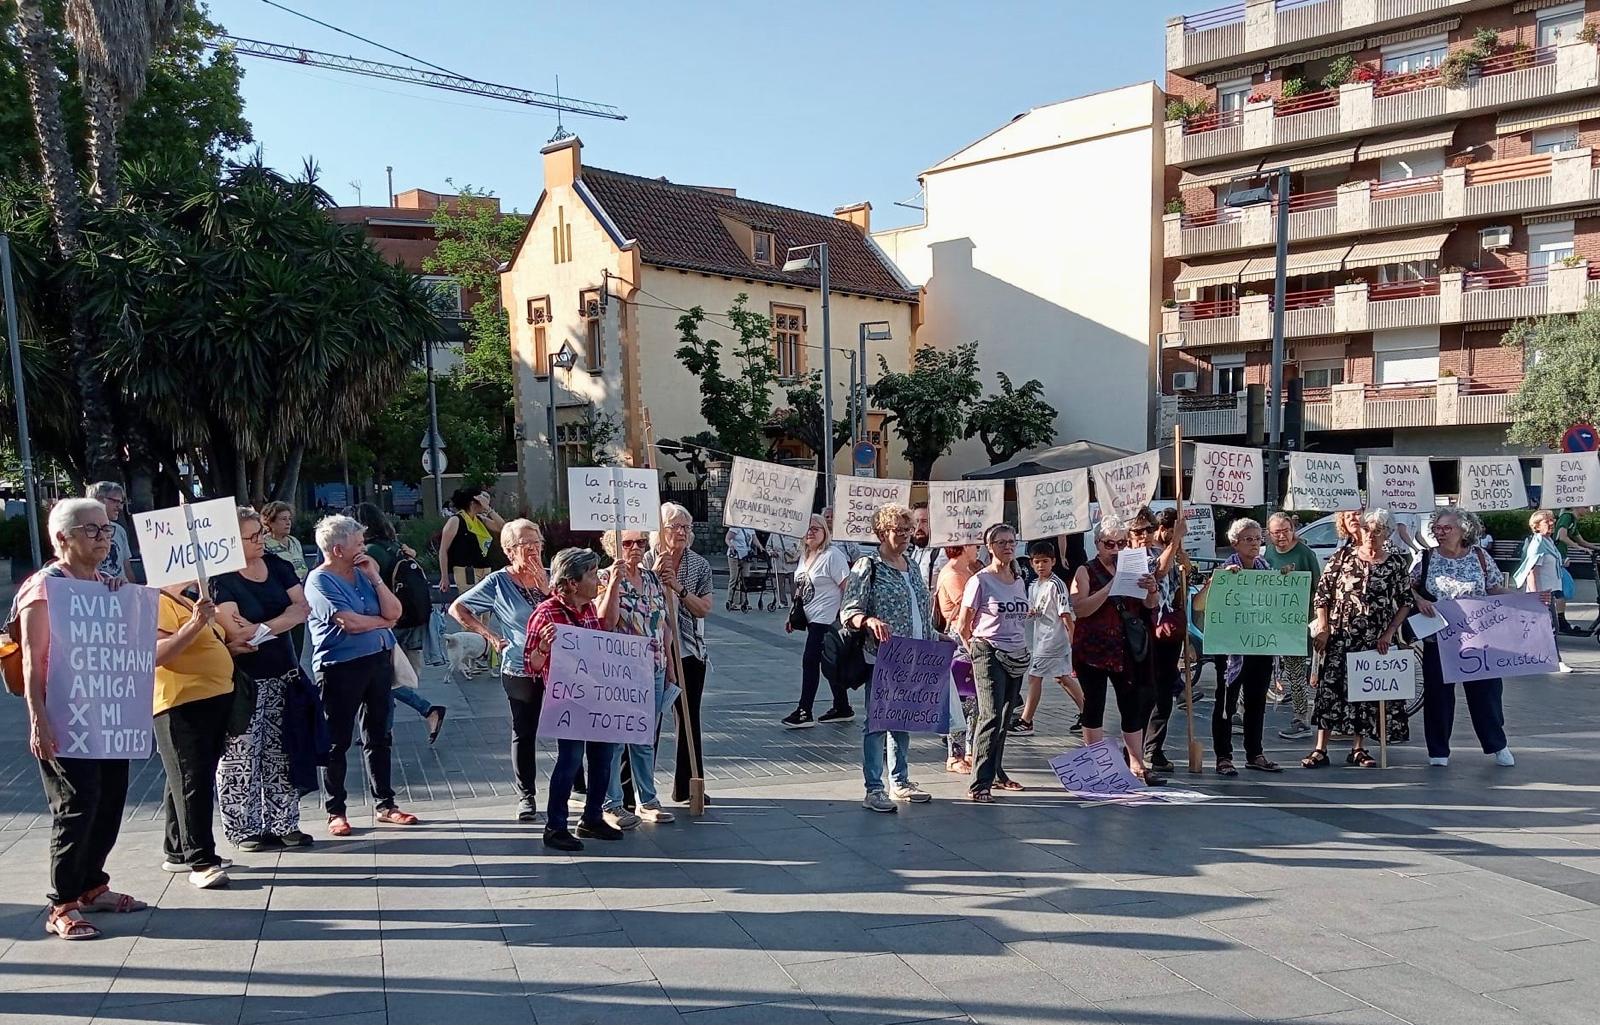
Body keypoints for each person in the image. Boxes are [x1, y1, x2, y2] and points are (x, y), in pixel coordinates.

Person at [19, 499, 146, 939]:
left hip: (106, 713)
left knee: (110, 798)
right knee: (75, 805)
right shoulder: (44, 589)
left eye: (107, 529)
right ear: (62, 538)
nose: (103, 538)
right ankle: (63, 902)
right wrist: (39, 720)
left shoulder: (103, 585)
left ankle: (93, 884)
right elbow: (35, 663)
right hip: (64, 716)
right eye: (92, 530)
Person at [305, 514, 419, 835]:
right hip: (340, 668)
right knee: (336, 740)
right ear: (338, 549)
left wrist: (376, 578)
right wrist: (381, 623)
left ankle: (386, 803)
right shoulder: (320, 581)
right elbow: (349, 623)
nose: (364, 547)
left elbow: (395, 611)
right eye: (358, 543)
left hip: (378, 661)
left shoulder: (365, 572)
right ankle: (335, 810)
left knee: (379, 733)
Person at [210, 507, 312, 852]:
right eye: (251, 536)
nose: (260, 540)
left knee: (281, 749)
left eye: (260, 533)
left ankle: (285, 822)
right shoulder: (220, 579)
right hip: (244, 679)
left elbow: (302, 609)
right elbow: (236, 629)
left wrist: (263, 629)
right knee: (241, 752)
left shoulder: (279, 567)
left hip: (283, 672)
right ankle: (244, 827)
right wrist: (282, 620)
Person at [450, 519, 549, 822]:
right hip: (520, 666)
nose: (533, 548)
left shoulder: (553, 575)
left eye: (537, 541)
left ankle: (577, 787)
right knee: (525, 729)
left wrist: (546, 586)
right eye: (525, 544)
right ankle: (527, 795)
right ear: (509, 551)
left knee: (568, 728)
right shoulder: (498, 582)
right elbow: (458, 608)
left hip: (561, 665)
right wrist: (490, 635)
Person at [524, 547, 621, 850]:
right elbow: (531, 666)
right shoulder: (546, 613)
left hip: (595, 697)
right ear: (573, 583)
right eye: (592, 574)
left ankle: (592, 818)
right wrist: (542, 647)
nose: (598, 579)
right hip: (568, 702)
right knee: (570, 761)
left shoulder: (589, 609)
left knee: (603, 759)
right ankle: (555, 826)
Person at [841, 503, 934, 812]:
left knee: (902, 719)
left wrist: (936, 635)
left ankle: (901, 781)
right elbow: (849, 610)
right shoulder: (868, 565)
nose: (907, 535)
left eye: (909, 530)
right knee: (878, 721)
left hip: (914, 654)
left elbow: (920, 608)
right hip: (881, 655)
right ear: (882, 533)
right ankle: (873, 787)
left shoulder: (912, 564)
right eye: (899, 531)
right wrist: (868, 621)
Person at [1305, 508, 1413, 769]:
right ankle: (1320, 748)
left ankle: (1359, 747)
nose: (1370, 536)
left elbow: (1405, 601)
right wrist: (1323, 626)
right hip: (1341, 635)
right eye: (1366, 530)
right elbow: (1323, 594)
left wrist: (1389, 633)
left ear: (1386, 534)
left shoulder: (1395, 562)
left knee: (1364, 692)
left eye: (1377, 532)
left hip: (1374, 637)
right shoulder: (1343, 556)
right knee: (1330, 690)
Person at [154, 564, 237, 889]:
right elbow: (159, 653)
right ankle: (201, 859)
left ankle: (177, 850)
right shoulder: (158, 602)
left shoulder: (189, 599)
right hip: (181, 702)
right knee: (193, 779)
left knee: (185, 776)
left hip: (211, 698)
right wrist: (195, 623)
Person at [1410, 508, 1514, 768]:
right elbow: (1407, 586)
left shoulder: (1480, 557)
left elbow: (1494, 587)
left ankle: (1497, 744)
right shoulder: (1426, 558)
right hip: (1439, 638)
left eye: (1447, 528)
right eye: (1437, 528)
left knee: (1486, 694)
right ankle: (1438, 751)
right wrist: (1420, 599)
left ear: (1463, 531)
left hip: (1478, 638)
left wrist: (1523, 598)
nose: (1440, 533)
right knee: (1438, 695)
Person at [1070, 516, 1164, 785]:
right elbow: (1080, 608)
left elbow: (1148, 606)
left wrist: (1152, 590)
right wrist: (1109, 588)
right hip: (1093, 648)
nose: (1116, 549)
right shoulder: (1085, 571)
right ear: (1098, 544)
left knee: (1131, 704)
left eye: (1122, 543)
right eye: (1110, 543)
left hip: (1125, 648)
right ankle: (1097, 760)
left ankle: (1136, 762)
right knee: (1094, 703)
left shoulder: (1135, 567)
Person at [596, 529, 675, 827]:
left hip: (652, 665)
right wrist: (615, 582)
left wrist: (669, 667)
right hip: (620, 668)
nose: (635, 548)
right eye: (627, 543)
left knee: (644, 737)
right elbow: (606, 621)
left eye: (640, 542)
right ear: (612, 546)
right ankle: (612, 803)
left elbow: (664, 623)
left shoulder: (652, 578)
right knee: (616, 738)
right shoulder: (604, 577)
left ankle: (648, 799)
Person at [351, 502, 445, 742]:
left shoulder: (371, 552)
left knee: (382, 677)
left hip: (389, 621)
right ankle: (383, 730)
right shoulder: (396, 547)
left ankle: (422, 711)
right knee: (386, 675)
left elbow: (363, 587)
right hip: (411, 618)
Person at [958, 523, 1034, 802]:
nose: (1007, 546)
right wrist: (975, 650)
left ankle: (997, 771)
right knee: (990, 715)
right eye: (1001, 542)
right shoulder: (980, 580)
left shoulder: (1018, 579)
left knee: (1006, 717)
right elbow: (963, 624)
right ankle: (980, 783)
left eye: (1011, 541)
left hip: (1016, 653)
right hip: (989, 650)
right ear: (989, 547)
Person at [646, 502, 715, 806]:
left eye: (686, 527)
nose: (683, 532)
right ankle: (641, 789)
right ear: (660, 531)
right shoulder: (646, 560)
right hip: (652, 648)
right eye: (675, 526)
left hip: (688, 649)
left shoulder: (699, 565)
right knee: (649, 720)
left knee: (689, 718)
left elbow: (704, 608)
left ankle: (689, 785)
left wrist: (678, 588)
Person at [1208, 518, 1281, 775]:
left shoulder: (1266, 569)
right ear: (1235, 543)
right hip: (1230, 648)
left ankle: (1255, 752)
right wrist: (1219, 583)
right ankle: (1223, 756)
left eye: (1257, 538)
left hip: (1259, 644)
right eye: (1248, 539)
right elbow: (1207, 606)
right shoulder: (1226, 571)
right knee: (1226, 703)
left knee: (1256, 700)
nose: (1254, 544)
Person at [783, 514, 852, 728]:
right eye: (808, 529)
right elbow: (802, 587)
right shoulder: (805, 556)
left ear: (825, 532)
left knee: (810, 661)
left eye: (816, 528)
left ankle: (805, 710)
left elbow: (847, 586)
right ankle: (842, 706)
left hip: (827, 618)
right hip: (812, 617)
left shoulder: (832, 556)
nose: (811, 532)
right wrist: (794, 615)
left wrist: (845, 615)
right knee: (828, 662)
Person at [1132, 508, 1188, 773]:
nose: (1144, 536)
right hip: (1143, 630)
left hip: (1166, 629)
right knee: (1146, 691)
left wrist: (1179, 547)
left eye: (1148, 530)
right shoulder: (1131, 557)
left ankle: (1154, 747)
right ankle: (1134, 747)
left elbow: (1178, 577)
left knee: (1164, 691)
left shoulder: (1160, 550)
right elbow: (1159, 572)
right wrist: (1175, 540)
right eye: (1138, 531)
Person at [1016, 540, 1081, 737]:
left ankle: (1026, 720)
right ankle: (1088, 711)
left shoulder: (1057, 585)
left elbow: (1065, 614)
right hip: (1040, 637)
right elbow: (1033, 609)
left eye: (1045, 561)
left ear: (1053, 561)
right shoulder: (1034, 585)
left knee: (1034, 677)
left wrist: (1074, 640)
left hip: (1054, 639)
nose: (1041, 566)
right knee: (1062, 677)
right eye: (1037, 562)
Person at [1265, 512, 1320, 741]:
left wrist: (1319, 620)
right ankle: (1242, 710)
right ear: (1269, 535)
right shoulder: (1268, 552)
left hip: (1297, 621)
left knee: (1296, 671)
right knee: (1257, 665)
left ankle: (1300, 717)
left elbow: (1318, 586)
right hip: (1272, 619)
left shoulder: (1305, 553)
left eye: (1285, 531)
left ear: (1293, 530)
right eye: (1276, 532)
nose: (1281, 536)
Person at [936, 544, 981, 771]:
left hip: (971, 641)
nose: (979, 548)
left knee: (975, 704)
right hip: (959, 644)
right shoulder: (953, 575)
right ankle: (955, 755)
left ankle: (971, 750)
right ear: (963, 547)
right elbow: (968, 611)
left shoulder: (968, 572)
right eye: (974, 544)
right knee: (961, 703)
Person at [1515, 510, 1573, 674]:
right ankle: (1557, 661)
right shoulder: (1538, 543)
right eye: (1547, 521)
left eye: (1552, 520)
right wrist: (1536, 596)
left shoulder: (1547, 541)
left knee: (1541, 628)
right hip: (1543, 593)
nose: (1552, 523)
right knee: (1551, 627)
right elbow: (1532, 571)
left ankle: (1529, 657)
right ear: (1537, 526)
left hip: (1551, 590)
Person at [438, 487, 503, 594]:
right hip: (466, 570)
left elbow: (502, 527)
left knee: (486, 606)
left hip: (484, 569)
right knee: (471, 605)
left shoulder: (480, 520)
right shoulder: (456, 520)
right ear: (473, 503)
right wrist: (444, 577)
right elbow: (443, 550)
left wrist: (489, 510)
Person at [1554, 507, 1595, 635]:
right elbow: (1561, 536)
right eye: (1587, 507)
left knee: (1563, 589)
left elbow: (1581, 541)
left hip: (1559, 559)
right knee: (1562, 589)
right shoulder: (1567, 517)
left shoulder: (1573, 521)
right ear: (1577, 506)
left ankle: (1559, 620)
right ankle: (1560, 622)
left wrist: (1594, 548)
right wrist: (1580, 549)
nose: (1589, 510)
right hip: (1556, 559)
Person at [86, 482, 132, 583]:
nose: (120, 507)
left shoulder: (120, 530)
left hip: (122, 592)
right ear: (98, 500)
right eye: (115, 501)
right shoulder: (83, 532)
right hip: (96, 593)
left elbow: (126, 567)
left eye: (121, 503)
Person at [259, 501, 309, 581]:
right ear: (270, 522)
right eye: (283, 519)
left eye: (289, 519)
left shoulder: (294, 541)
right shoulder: (263, 544)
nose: (288, 522)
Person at [769, 530, 800, 610]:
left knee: (793, 583)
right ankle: (783, 602)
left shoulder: (794, 534)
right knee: (780, 583)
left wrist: (796, 555)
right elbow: (768, 546)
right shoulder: (774, 534)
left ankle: (795, 601)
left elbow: (800, 548)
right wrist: (771, 552)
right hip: (778, 561)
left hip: (791, 561)